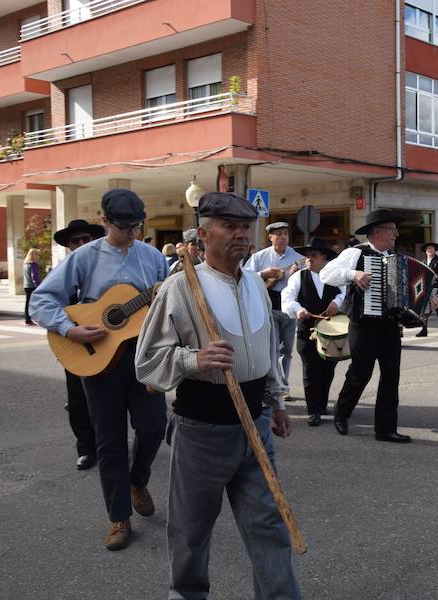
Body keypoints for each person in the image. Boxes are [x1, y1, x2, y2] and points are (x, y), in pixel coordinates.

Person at [135, 192, 300, 599]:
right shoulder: (180, 288)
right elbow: (147, 363)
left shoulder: (257, 287)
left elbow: (266, 352)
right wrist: (196, 359)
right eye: (230, 226)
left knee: (270, 526)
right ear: (204, 234)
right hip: (201, 429)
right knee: (191, 534)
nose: (242, 234)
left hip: (256, 425)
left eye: (246, 226)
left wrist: (276, 401)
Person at [30, 189, 168, 551]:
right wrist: (69, 328)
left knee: (154, 427)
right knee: (109, 442)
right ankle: (118, 517)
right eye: (123, 226)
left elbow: (169, 304)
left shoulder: (153, 257)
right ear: (105, 221)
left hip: (144, 355)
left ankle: (138, 480)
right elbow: (41, 299)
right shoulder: (84, 257)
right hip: (99, 360)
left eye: (136, 226)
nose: (131, 233)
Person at [321, 209, 438, 443]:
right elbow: (326, 274)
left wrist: (428, 301)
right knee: (359, 374)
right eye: (392, 230)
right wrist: (353, 274)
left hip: (390, 327)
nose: (396, 234)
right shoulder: (356, 253)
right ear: (376, 232)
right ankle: (341, 414)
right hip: (363, 325)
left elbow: (412, 295)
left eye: (395, 230)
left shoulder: (397, 258)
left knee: (390, 377)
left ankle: (385, 429)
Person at [51, 218, 107, 471]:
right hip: (75, 344)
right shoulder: (61, 272)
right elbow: (47, 305)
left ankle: (110, 444)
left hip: (110, 343)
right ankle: (86, 448)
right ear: (69, 246)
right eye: (76, 241)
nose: (82, 244)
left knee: (112, 398)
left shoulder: (108, 269)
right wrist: (69, 329)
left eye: (87, 239)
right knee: (78, 399)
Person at [281, 238, 345, 426]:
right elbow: (287, 298)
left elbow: (344, 294)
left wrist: (336, 303)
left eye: (314, 255)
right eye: (307, 256)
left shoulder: (335, 276)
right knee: (310, 370)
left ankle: (323, 403)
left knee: (328, 369)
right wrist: (297, 309)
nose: (309, 259)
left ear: (324, 257)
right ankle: (313, 410)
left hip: (331, 330)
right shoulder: (298, 277)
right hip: (307, 330)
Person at [244, 222, 303, 402]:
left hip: (290, 309)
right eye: (278, 234)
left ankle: (284, 386)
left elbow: (308, 280)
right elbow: (244, 276)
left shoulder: (298, 257)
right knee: (274, 349)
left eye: (285, 233)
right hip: (268, 307)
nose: (283, 237)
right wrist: (263, 273)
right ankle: (277, 387)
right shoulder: (259, 257)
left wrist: (297, 275)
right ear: (270, 237)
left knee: (287, 350)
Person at [416, 242, 438, 337]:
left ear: (435, 250)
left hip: (435, 289)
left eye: (432, 249)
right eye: (428, 249)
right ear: (426, 251)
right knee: (425, 310)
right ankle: (424, 330)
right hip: (425, 289)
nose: (430, 250)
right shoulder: (423, 261)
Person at [22, 248, 41, 325]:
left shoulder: (25, 264)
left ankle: (28, 319)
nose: (38, 256)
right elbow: (34, 276)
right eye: (37, 254)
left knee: (28, 303)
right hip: (33, 286)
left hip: (26, 286)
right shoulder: (33, 264)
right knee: (37, 303)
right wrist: (38, 286)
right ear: (33, 255)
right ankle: (34, 318)